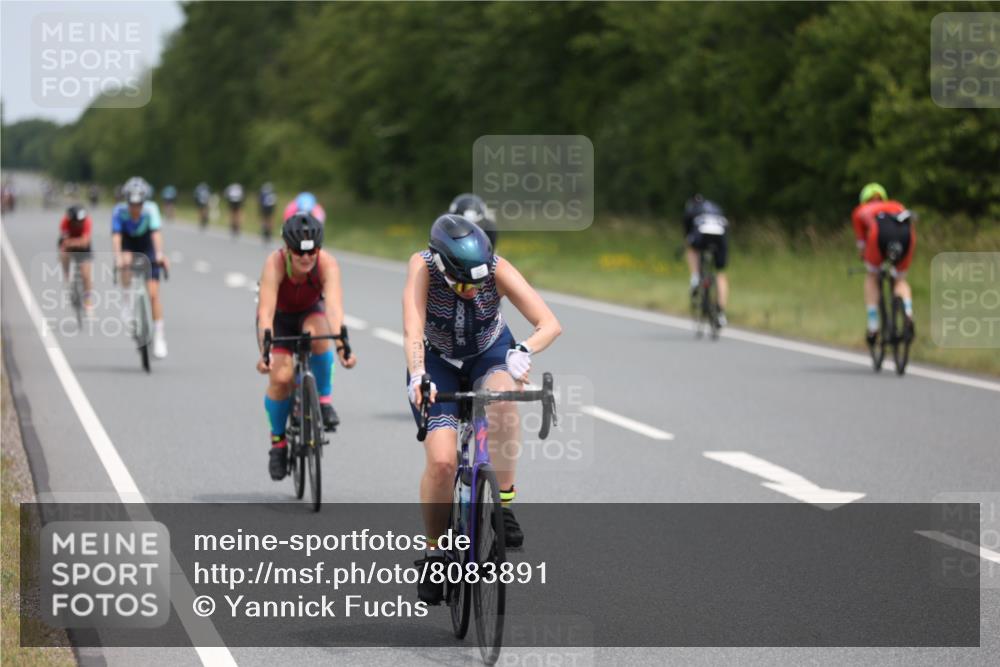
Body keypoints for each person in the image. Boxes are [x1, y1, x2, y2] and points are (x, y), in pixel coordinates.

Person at [403, 214, 561, 604]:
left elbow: (549, 323)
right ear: (441, 265)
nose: (471, 291)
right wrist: (418, 374)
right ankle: (435, 552)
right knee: (442, 462)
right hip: (437, 361)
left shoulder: (497, 269)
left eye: (477, 283)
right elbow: (413, 328)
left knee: (503, 402)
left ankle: (503, 505)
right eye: (461, 284)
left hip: (489, 353)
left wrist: (524, 350)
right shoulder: (422, 266)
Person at [255, 201, 356, 481]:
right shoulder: (274, 263)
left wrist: (343, 347)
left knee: (320, 336)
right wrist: (265, 353)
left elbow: (333, 309)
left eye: (312, 251)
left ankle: (323, 401)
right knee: (281, 379)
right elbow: (265, 313)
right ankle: (278, 442)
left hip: (310, 311)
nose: (306, 257)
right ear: (288, 249)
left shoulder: (327, 263)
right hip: (279, 318)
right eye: (299, 251)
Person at [851, 183, 916, 345]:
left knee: (872, 276)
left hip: (879, 234)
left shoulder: (860, 211)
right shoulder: (897, 205)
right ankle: (908, 313)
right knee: (900, 279)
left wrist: (864, 257)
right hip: (905, 234)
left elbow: (862, 244)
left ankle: (873, 326)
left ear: (864, 200)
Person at [112, 177, 170, 358]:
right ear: (127, 201)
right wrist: (117, 257)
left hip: (147, 246)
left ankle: (159, 337)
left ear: (144, 201)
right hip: (129, 244)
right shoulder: (119, 211)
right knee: (125, 261)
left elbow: (156, 234)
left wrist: (159, 254)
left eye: (139, 204)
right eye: (132, 204)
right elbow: (116, 236)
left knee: (153, 295)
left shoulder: (151, 210)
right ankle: (127, 302)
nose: (135, 208)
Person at [683, 194, 731, 326]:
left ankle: (695, 277)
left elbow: (687, 234)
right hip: (721, 235)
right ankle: (720, 312)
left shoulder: (691, 209)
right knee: (720, 273)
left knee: (691, 250)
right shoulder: (716, 208)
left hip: (702, 233)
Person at [58, 205, 95, 313]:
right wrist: (73, 243)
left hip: (83, 247)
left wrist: (73, 242)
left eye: (81, 221)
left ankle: (88, 299)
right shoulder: (65, 222)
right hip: (70, 242)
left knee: (86, 274)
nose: (80, 224)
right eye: (77, 222)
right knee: (64, 254)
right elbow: (64, 242)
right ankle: (67, 276)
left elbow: (85, 242)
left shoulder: (87, 221)